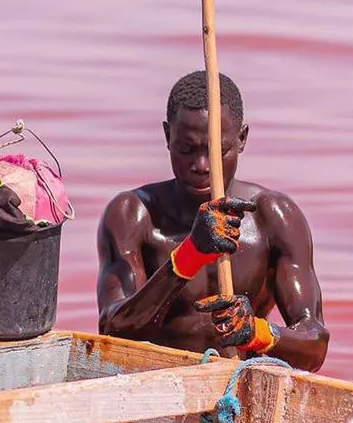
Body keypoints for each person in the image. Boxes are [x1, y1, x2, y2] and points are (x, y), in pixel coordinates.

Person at [96, 70, 329, 372]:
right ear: (167, 136)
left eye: (217, 152)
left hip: (239, 391)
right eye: (186, 150)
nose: (201, 166)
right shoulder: (132, 214)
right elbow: (114, 332)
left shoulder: (274, 218)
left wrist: (257, 333)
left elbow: (315, 344)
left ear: (242, 138)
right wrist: (190, 254)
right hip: (158, 387)